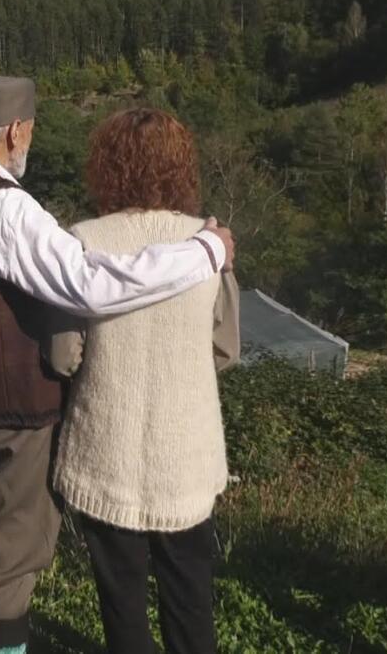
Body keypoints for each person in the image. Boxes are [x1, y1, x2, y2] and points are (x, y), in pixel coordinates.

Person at [0, 76, 235, 654]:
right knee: (17, 548)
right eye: (31, 132)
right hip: (37, 416)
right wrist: (207, 251)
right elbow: (89, 285)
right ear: (16, 131)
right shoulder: (7, 205)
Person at [47, 107, 241, 654]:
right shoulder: (208, 243)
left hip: (104, 451)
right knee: (191, 601)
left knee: (122, 606)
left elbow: (63, 357)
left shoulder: (82, 240)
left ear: (105, 167)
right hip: (186, 456)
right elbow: (226, 350)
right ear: (181, 168)